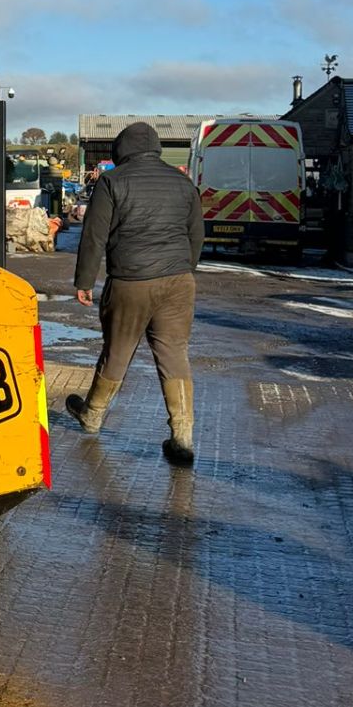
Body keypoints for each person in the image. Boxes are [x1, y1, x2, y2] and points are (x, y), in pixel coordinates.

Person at [67, 121, 203, 466]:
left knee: (118, 351)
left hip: (130, 281)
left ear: (121, 150)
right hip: (178, 281)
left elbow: (94, 236)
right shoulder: (183, 182)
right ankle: (183, 436)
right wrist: (184, 268)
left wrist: (84, 281)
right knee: (174, 354)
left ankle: (93, 415)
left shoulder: (112, 181)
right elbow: (196, 235)